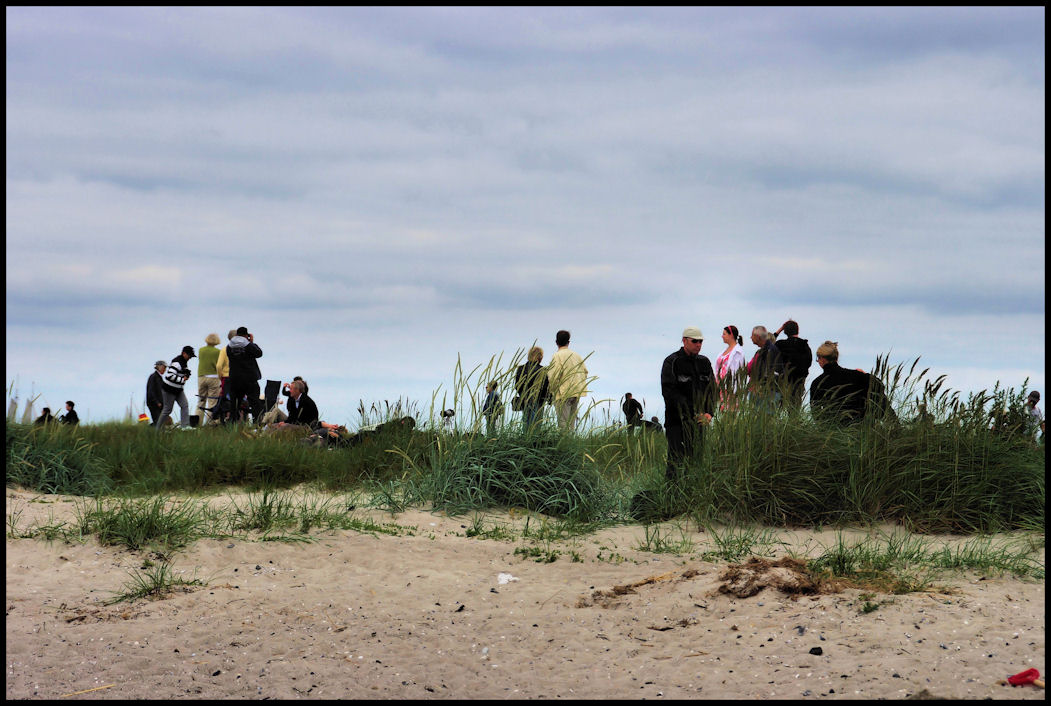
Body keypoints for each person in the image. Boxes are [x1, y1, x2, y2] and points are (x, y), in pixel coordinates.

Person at [661, 326, 715, 481]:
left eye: (701, 342)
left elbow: (712, 389)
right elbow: (669, 392)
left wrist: (709, 413)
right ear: (684, 340)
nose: (698, 344)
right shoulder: (672, 362)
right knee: (675, 460)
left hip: (700, 421)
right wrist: (691, 413)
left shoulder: (704, 362)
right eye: (695, 341)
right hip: (676, 421)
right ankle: (671, 497)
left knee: (696, 460)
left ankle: (692, 495)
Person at [809, 341, 892, 425]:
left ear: (822, 359)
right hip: (859, 428)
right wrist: (865, 375)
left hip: (833, 430)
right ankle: (894, 425)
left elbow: (816, 413)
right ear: (836, 358)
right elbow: (879, 386)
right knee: (878, 396)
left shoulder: (817, 383)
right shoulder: (856, 376)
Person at [547, 330, 589, 431]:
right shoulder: (576, 355)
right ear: (568, 342)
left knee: (563, 424)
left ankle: (564, 445)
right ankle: (570, 443)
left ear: (556, 342)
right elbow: (585, 372)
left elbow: (553, 376)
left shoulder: (557, 356)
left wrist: (552, 391)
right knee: (571, 424)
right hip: (576, 392)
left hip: (563, 393)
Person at [226, 326, 263, 423]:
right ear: (246, 335)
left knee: (234, 404)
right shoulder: (249, 345)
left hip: (234, 378)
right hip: (249, 379)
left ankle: (232, 423)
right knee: (255, 402)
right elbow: (259, 353)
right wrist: (251, 342)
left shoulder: (229, 346)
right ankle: (257, 423)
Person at [774, 319, 812, 409]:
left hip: (781, 384)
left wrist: (779, 330)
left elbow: (768, 344)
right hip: (798, 384)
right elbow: (809, 363)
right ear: (797, 330)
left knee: (776, 413)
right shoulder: (804, 346)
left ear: (785, 331)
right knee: (794, 413)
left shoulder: (780, 345)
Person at [158, 346, 195, 429]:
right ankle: (158, 429)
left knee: (184, 405)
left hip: (178, 389)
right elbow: (169, 376)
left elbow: (180, 373)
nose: (190, 358)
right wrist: (182, 379)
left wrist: (186, 375)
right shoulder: (177, 362)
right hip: (169, 389)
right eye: (189, 355)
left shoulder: (184, 362)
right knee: (167, 410)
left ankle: (185, 427)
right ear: (184, 353)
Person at [748, 325, 784, 410]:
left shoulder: (770, 350)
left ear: (757, 337)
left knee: (766, 419)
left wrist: (760, 387)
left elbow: (772, 373)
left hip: (768, 394)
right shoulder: (764, 350)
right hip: (764, 393)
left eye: (752, 335)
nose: (750, 337)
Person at [515, 346, 550, 431]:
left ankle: (525, 441)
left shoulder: (521, 368)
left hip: (525, 400)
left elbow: (517, 385)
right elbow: (546, 387)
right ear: (540, 357)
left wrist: (524, 395)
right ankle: (533, 442)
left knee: (525, 422)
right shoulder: (542, 370)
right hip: (538, 401)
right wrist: (543, 398)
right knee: (536, 425)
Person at [714, 325, 747, 411]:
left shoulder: (737, 352)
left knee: (730, 415)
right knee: (722, 413)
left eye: (724, 334)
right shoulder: (724, 351)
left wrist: (734, 391)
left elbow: (737, 372)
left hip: (730, 389)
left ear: (731, 335)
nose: (722, 336)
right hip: (721, 388)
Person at [196, 333, 222, 422]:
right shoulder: (218, 352)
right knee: (212, 402)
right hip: (213, 377)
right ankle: (209, 424)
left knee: (201, 401)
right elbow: (219, 365)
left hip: (201, 377)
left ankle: (197, 424)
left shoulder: (201, 350)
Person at [146, 360, 167, 425]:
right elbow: (151, 392)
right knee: (158, 422)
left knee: (159, 422)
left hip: (159, 405)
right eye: (164, 367)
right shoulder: (153, 377)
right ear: (159, 367)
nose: (165, 369)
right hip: (154, 405)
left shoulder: (159, 378)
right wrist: (157, 402)